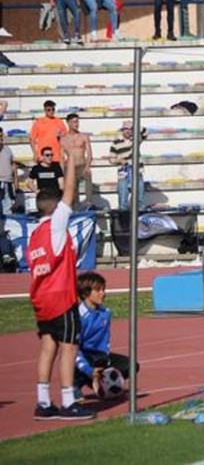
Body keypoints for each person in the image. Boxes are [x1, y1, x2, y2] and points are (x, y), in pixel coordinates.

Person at [29, 152, 95, 420]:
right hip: (60, 298)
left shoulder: (35, 234)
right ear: (55, 208)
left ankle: (43, 402)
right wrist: (68, 162)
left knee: (48, 347)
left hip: (41, 299)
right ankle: (69, 401)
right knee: (69, 347)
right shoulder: (56, 225)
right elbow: (69, 191)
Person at [73, 272, 137, 401]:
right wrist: (89, 370)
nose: (103, 293)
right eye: (98, 290)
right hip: (80, 356)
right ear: (86, 293)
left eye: (104, 289)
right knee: (77, 361)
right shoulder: (79, 316)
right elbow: (74, 350)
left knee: (131, 366)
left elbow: (104, 343)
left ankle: (101, 382)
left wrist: (105, 363)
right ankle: (75, 384)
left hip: (99, 356)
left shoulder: (105, 313)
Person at [108, 120, 147, 211]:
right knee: (123, 198)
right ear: (122, 130)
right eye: (126, 129)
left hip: (137, 171)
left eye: (130, 129)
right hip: (123, 172)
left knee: (140, 197)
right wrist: (120, 160)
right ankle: (124, 220)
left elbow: (145, 133)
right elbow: (111, 159)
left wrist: (135, 125)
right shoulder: (116, 142)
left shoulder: (136, 139)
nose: (128, 131)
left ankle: (139, 217)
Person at [60, 113, 93, 209]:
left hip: (82, 165)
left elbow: (89, 154)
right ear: (69, 123)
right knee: (73, 192)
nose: (77, 124)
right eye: (74, 122)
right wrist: (61, 173)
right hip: (70, 168)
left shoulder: (83, 137)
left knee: (88, 176)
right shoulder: (63, 139)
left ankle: (89, 203)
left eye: (77, 122)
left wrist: (87, 166)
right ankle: (76, 208)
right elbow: (61, 157)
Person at [0, 127, 19, 216]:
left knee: (7, 208)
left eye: (1, 135)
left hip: (7, 182)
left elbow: (14, 167)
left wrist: (16, 185)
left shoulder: (7, 149)